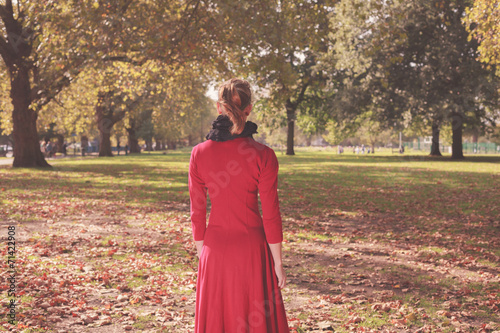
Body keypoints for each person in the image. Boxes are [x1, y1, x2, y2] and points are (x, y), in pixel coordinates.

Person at [188, 78, 290, 332]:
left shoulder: (199, 153)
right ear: (249, 108)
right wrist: (278, 262)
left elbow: (197, 212)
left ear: (218, 107)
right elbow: (271, 214)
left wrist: (203, 254)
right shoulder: (264, 155)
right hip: (252, 252)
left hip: (215, 250)